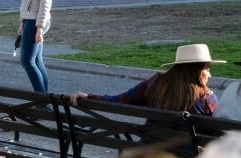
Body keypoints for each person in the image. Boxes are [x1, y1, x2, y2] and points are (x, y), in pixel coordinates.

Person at [70, 44, 223, 115]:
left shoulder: (155, 83)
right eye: (207, 68)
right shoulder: (206, 98)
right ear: (199, 71)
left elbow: (119, 100)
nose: (209, 74)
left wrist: (88, 97)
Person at [17, 0, 54, 93]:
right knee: (37, 61)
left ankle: (42, 102)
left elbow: (46, 2)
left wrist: (39, 28)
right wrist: (22, 22)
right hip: (30, 20)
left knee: (27, 61)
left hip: (36, 21)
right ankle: (45, 99)